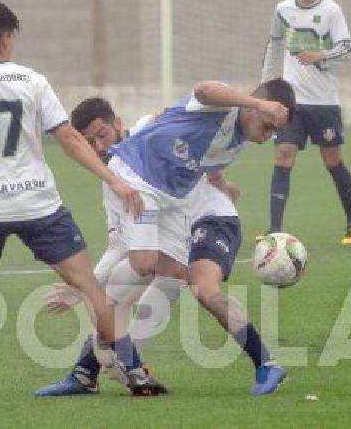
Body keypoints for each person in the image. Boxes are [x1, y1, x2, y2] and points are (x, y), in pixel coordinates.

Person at [0, 0, 166, 400]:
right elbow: (70, 139)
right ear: (6, 37)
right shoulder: (33, 80)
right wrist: (115, 181)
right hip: (39, 204)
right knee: (90, 286)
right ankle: (134, 370)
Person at [37, 79, 296, 397]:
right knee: (153, 268)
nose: (99, 148)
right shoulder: (123, 173)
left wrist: (220, 182)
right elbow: (203, 92)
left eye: (101, 136)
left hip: (192, 209)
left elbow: (201, 142)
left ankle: (105, 362)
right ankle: (99, 363)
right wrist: (85, 285)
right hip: (155, 193)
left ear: (117, 124)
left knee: (166, 273)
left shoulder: (229, 136)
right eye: (90, 143)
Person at [260, 0, 351, 244]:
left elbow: (347, 48)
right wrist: (265, 88)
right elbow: (274, 46)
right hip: (292, 103)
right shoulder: (282, 10)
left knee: (332, 161)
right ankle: (274, 230)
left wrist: (322, 54)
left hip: (324, 103)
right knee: (283, 155)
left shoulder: (331, 10)